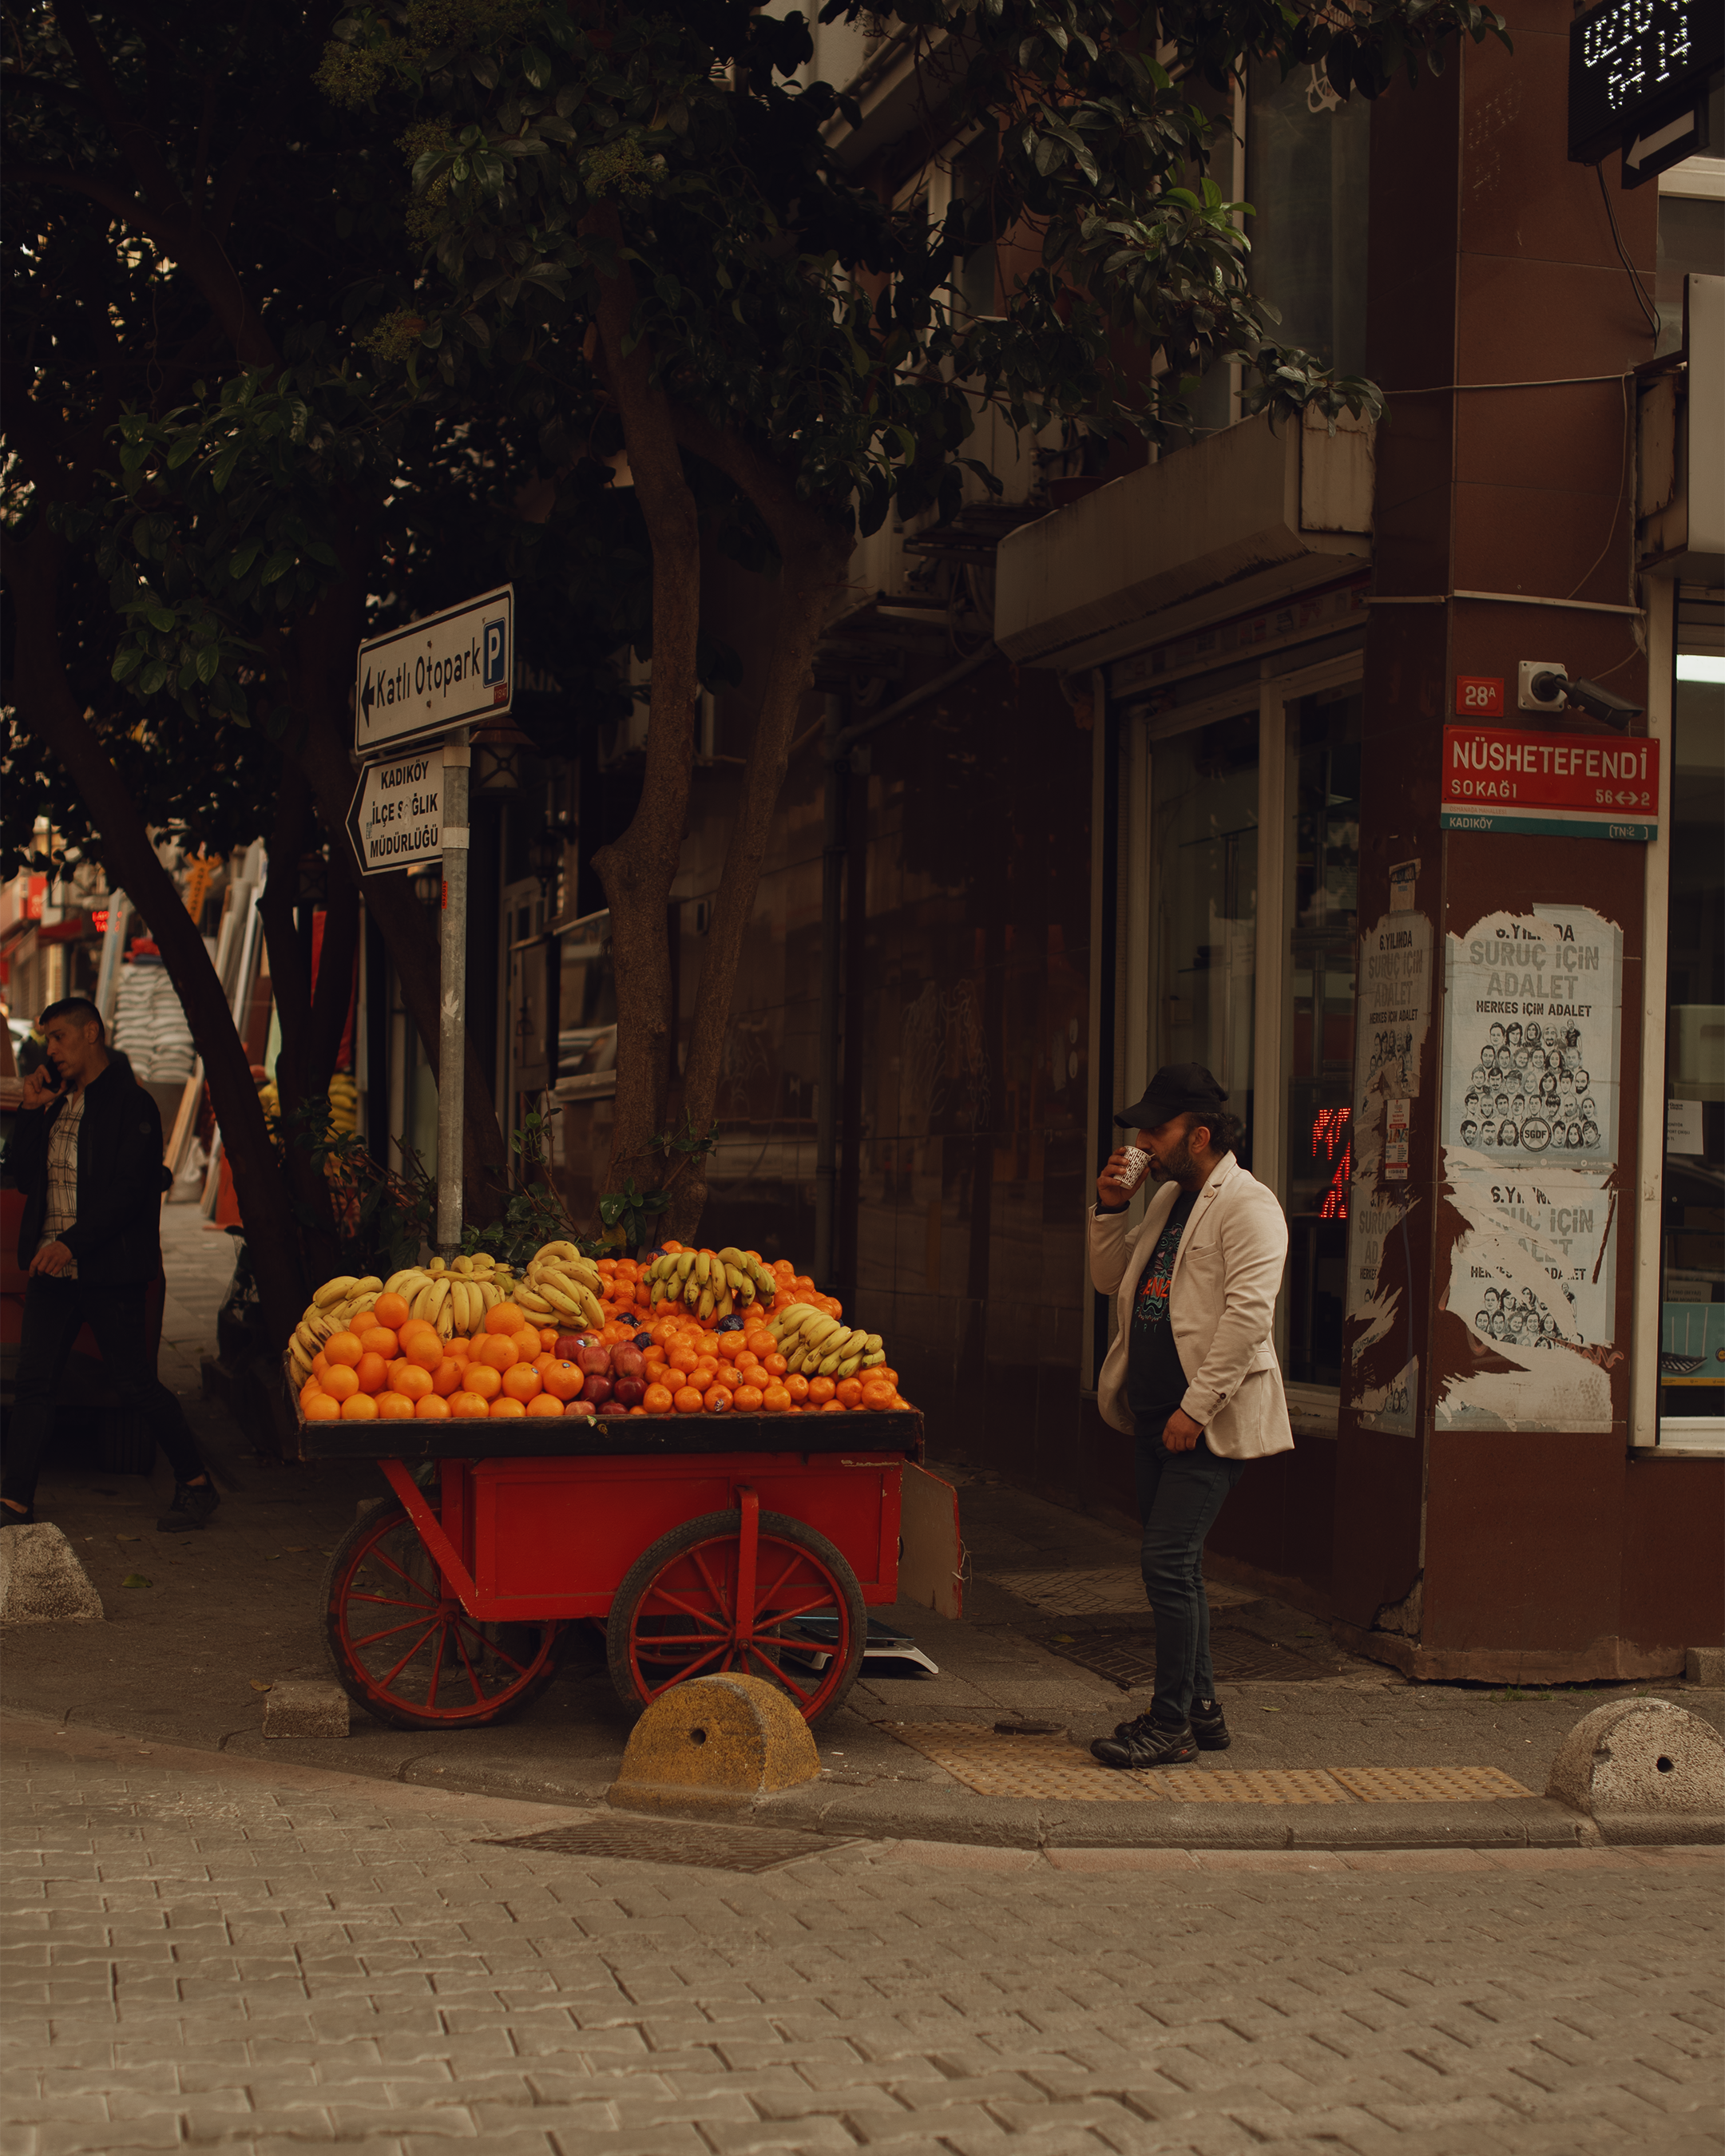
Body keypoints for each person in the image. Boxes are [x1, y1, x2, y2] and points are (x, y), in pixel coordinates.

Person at [1086, 1064, 1292, 1770]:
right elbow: (1111, 1280)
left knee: (1167, 1564)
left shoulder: (1249, 1204)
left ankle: (1169, 1721)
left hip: (1204, 1420)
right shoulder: (1171, 1196)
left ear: (1198, 1134)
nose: (1142, 1140)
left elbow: (1247, 1318)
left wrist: (1194, 1410)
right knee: (1179, 1569)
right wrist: (1113, 1206)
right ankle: (1202, 1709)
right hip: (1152, 1413)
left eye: (1156, 1128)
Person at [2, 996, 218, 1531]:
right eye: (47, 1040)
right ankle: (14, 1503)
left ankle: (196, 1483)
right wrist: (31, 1111)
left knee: (134, 1383)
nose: (50, 1051)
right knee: (34, 1386)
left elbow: (126, 1194)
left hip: (106, 1270)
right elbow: (25, 1176)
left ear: (92, 1033)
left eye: (59, 1038)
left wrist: (71, 1244)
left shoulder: (131, 1105)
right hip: (54, 1272)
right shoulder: (59, 1101)